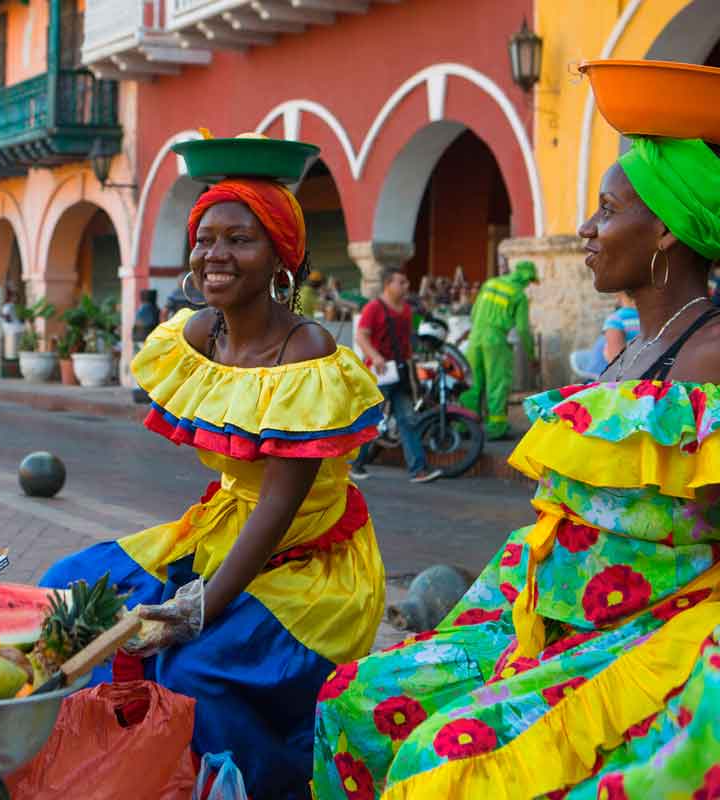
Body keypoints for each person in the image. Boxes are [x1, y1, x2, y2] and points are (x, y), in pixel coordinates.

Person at [314, 78, 720, 798]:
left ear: (665, 229)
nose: (586, 230)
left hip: (645, 634)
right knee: (352, 701)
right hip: (535, 610)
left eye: (606, 210)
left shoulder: (711, 354)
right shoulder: (628, 349)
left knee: (436, 763)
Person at [41, 171, 388, 798]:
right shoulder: (200, 334)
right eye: (204, 239)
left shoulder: (305, 353)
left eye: (240, 240)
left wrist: (198, 607)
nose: (215, 255)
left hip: (309, 565)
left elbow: (278, 508)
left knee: (192, 670)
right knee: (66, 588)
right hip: (222, 529)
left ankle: (262, 783)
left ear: (281, 256)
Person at [349, 268, 444, 483]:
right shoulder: (374, 308)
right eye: (401, 282)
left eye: (406, 282)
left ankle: (418, 469)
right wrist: (376, 357)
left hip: (401, 372)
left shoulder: (407, 310)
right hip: (380, 373)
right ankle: (354, 463)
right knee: (369, 419)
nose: (406, 286)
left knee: (407, 420)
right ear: (388, 284)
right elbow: (362, 336)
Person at [459, 260, 540, 439]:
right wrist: (531, 355)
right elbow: (523, 330)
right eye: (529, 281)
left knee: (471, 383)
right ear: (526, 278)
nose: (528, 285)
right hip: (495, 340)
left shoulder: (490, 283)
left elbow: (473, 313)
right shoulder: (519, 295)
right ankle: (496, 427)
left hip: (475, 338)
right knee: (497, 384)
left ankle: (463, 424)